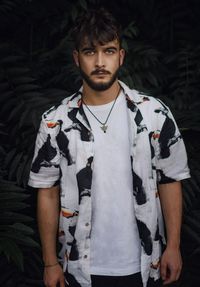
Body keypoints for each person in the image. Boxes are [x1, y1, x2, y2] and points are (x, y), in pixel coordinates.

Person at [28, 8, 190, 287]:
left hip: (143, 261)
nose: (100, 61)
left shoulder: (154, 114)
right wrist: (50, 261)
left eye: (109, 51)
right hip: (79, 267)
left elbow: (170, 180)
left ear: (121, 56)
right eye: (90, 52)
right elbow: (48, 193)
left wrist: (173, 246)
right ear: (76, 58)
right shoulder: (55, 121)